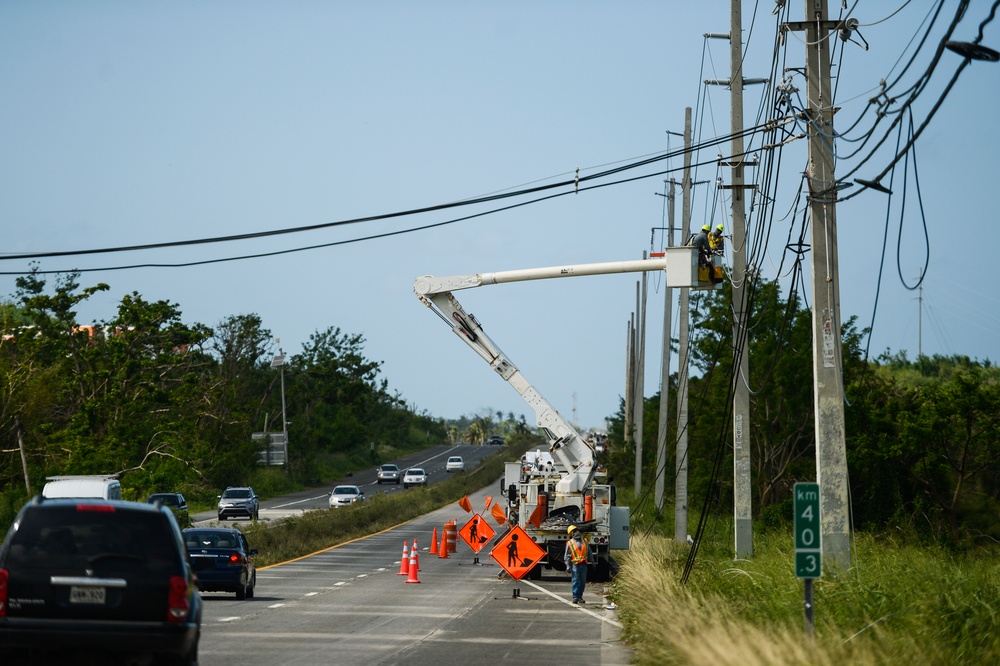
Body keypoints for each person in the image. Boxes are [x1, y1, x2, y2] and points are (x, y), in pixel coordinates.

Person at [564, 525, 589, 604]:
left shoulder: (585, 541)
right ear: (571, 534)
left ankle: (580, 597)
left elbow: (590, 552)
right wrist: (567, 566)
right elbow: (567, 556)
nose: (576, 532)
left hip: (584, 564)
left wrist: (593, 561)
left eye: (576, 530)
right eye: (574, 531)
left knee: (582, 581)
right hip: (575, 564)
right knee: (575, 580)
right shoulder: (570, 543)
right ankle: (575, 597)